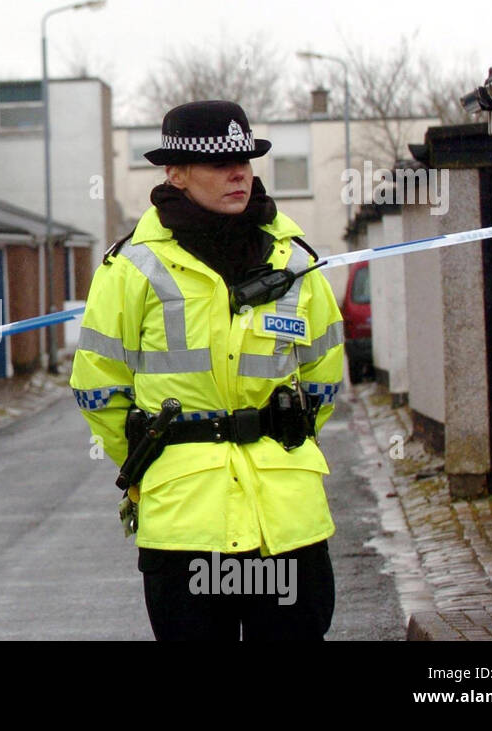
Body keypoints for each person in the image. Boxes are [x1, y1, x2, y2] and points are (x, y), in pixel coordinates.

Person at [70, 100, 345, 640]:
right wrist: (157, 456)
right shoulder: (133, 267)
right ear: (175, 172)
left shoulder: (293, 261)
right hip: (185, 522)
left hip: (285, 517)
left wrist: (285, 439)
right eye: (220, 163)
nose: (238, 172)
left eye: (244, 159)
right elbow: (98, 389)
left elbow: (323, 377)